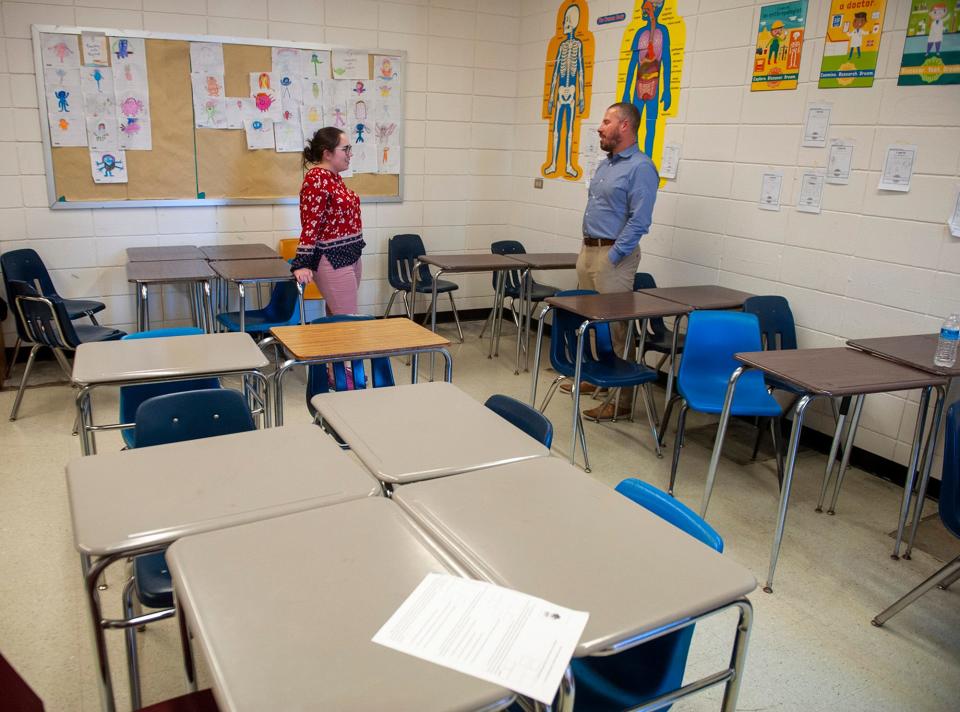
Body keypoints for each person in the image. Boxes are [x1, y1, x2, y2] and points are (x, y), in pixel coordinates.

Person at [574, 101, 659, 421]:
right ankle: (595, 378)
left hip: (613, 257)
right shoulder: (606, 165)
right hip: (588, 250)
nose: (600, 127)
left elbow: (640, 220)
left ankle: (620, 400)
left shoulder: (640, 167)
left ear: (625, 126)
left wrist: (614, 255)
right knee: (593, 324)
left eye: (607, 121)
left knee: (617, 330)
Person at [291, 127, 364, 316]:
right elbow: (311, 224)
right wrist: (302, 263)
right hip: (333, 258)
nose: (350, 154)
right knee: (349, 322)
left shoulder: (334, 179)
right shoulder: (316, 180)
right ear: (327, 153)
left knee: (338, 318)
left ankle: (332, 346)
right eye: (345, 149)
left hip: (350, 255)